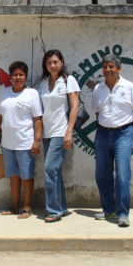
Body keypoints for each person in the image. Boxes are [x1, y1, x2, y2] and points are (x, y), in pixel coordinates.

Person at [92, 54, 133, 227]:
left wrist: (131, 129)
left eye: (111, 67)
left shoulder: (130, 87)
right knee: (102, 174)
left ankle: (122, 213)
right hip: (102, 133)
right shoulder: (98, 89)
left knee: (122, 174)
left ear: (119, 68)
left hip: (123, 134)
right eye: (105, 67)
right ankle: (108, 210)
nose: (108, 70)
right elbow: (97, 113)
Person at [0, 61, 43, 219]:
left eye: (21, 74)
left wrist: (37, 140)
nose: (18, 77)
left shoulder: (32, 93)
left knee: (26, 176)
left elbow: (38, 119)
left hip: (25, 143)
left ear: (25, 77)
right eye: (15, 75)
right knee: (13, 176)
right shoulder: (5, 92)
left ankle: (26, 207)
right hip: (7, 143)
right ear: (10, 77)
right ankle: (14, 206)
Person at [38, 50, 80, 223]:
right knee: (54, 171)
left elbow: (75, 107)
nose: (52, 65)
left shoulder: (68, 80)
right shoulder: (42, 83)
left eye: (55, 62)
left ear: (61, 62)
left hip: (61, 132)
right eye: (49, 63)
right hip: (47, 133)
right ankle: (61, 207)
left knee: (49, 169)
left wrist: (68, 131)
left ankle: (53, 210)